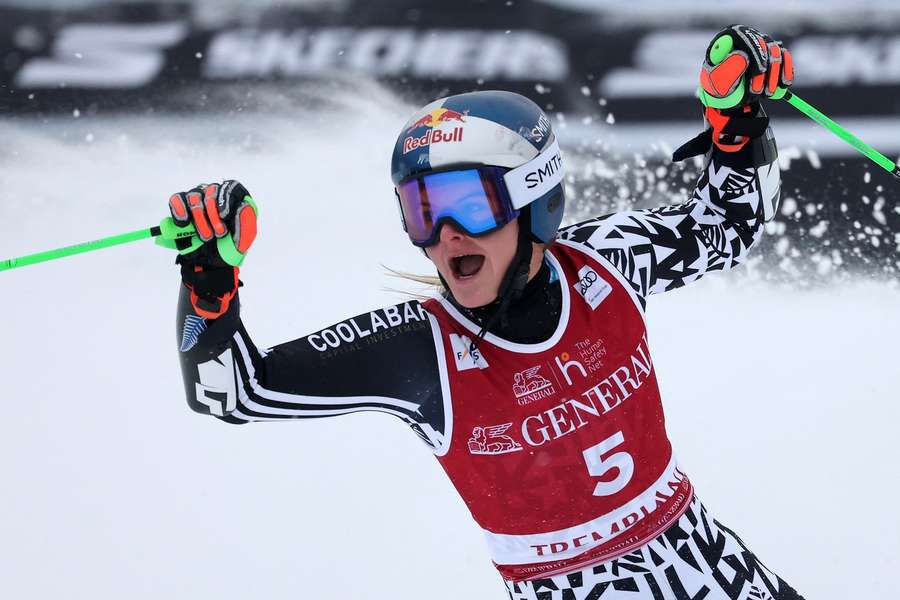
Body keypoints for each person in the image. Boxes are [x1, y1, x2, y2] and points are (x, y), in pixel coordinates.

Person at [167, 25, 803, 600]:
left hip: (717, 572)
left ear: (535, 201)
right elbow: (231, 392)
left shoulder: (606, 263)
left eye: (468, 204)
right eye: (421, 212)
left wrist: (737, 123)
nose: (446, 234)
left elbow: (728, 226)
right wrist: (208, 281)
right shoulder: (419, 349)